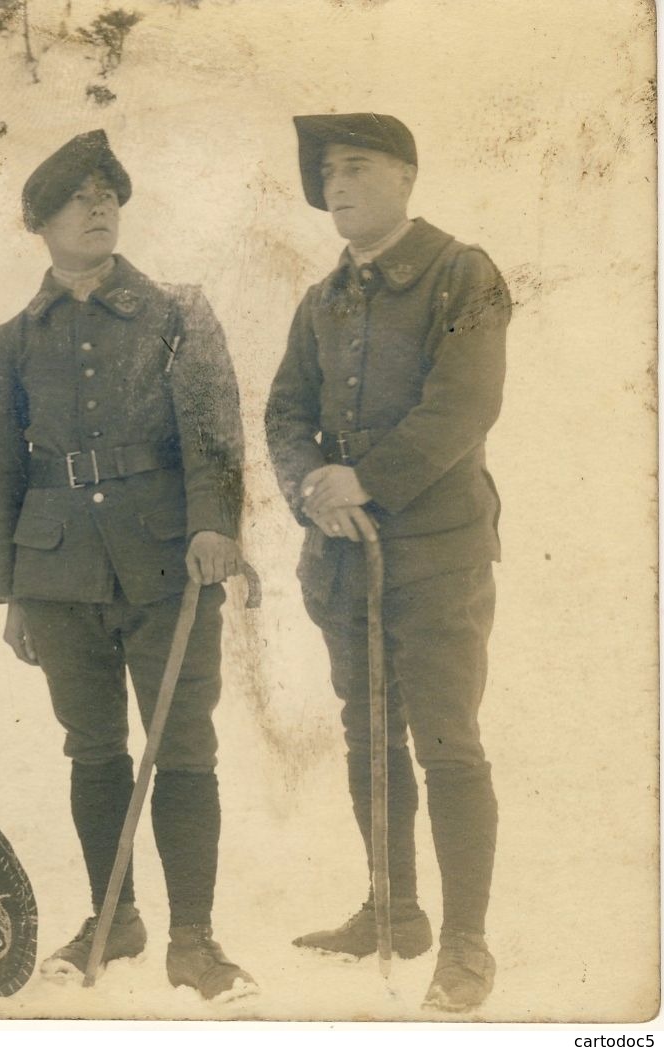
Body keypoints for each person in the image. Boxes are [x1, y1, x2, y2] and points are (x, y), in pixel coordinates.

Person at [0, 130, 254, 1000]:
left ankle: (195, 940)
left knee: (183, 748)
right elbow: (2, 469)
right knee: (90, 750)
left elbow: (214, 432)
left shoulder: (177, 312)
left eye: (107, 194)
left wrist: (214, 526)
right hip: (57, 574)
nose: (96, 208)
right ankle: (113, 918)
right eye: (75, 198)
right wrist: (12, 591)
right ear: (39, 222)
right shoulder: (16, 336)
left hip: (168, 567)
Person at [265, 113, 511, 1012]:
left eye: (357, 168)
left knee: (446, 743)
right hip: (341, 560)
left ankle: (464, 943)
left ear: (406, 177)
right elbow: (285, 414)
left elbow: (464, 407)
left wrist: (360, 482)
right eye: (327, 172)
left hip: (437, 555)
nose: (337, 186)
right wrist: (312, 492)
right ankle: (391, 911)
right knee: (367, 735)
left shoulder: (461, 274)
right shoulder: (321, 299)